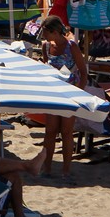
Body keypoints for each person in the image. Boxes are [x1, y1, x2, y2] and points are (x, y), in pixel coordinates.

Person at [27, 17, 88, 178]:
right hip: (53, 93)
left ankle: (66, 170)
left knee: (66, 132)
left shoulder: (71, 46)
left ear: (54, 31)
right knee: (50, 131)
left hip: (70, 93)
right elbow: (47, 69)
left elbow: (83, 71)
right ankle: (47, 168)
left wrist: (79, 93)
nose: (43, 35)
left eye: (45, 32)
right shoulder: (46, 46)